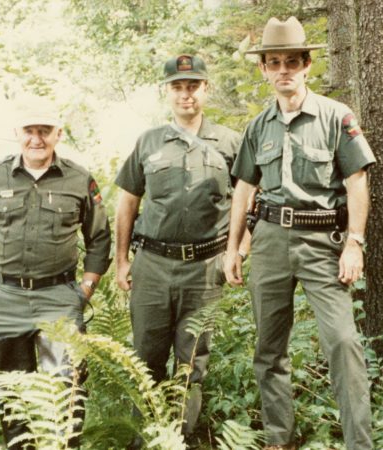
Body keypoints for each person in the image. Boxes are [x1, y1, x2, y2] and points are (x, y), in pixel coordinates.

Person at [224, 17, 376, 450]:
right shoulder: (258, 127)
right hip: (270, 240)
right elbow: (244, 188)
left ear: (307, 64)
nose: (284, 70)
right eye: (275, 62)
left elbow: (357, 181)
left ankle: (358, 444)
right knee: (269, 349)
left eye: (292, 61)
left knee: (343, 342)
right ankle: (279, 438)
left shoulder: (335, 116)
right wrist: (233, 247)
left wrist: (355, 243)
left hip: (322, 243)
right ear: (264, 70)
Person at [0, 96, 111, 449]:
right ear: (18, 133)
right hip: (5, 298)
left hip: (59, 297)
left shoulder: (79, 178)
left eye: (45, 130)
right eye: (30, 130)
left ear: (59, 133)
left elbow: (99, 236)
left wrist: (86, 287)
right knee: (13, 396)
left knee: (67, 389)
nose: (37, 139)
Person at [114, 55, 245, 444]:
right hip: (152, 266)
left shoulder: (230, 142)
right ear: (166, 91)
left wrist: (237, 250)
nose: (185, 94)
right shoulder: (148, 142)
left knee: (191, 362)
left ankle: (182, 438)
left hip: (205, 268)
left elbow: (249, 200)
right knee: (145, 359)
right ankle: (145, 438)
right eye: (177, 86)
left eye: (193, 86)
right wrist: (121, 261)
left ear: (206, 89)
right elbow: (127, 203)